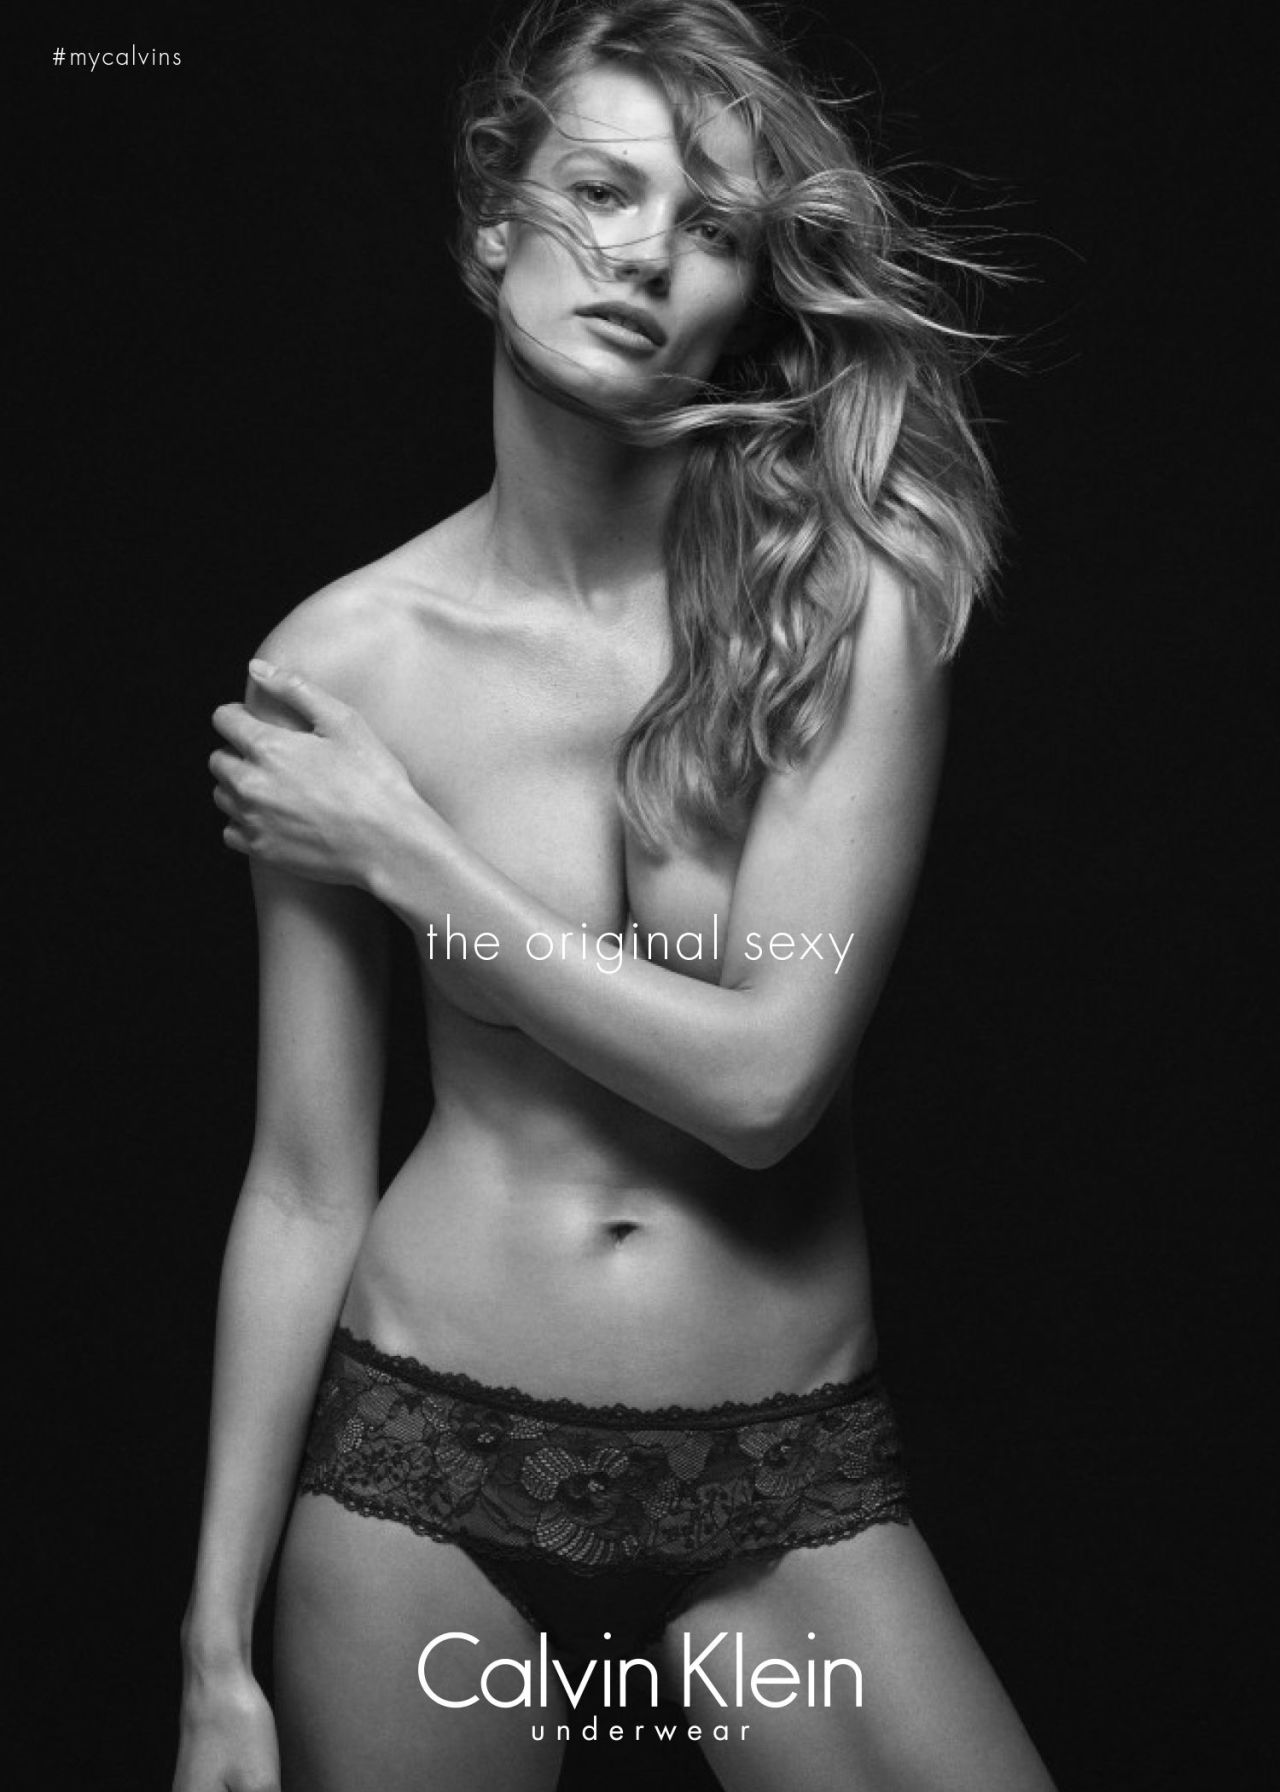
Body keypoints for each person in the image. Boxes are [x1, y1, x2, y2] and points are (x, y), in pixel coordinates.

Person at [176, 1, 1057, 1787]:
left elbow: (764, 1082)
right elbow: (302, 1178)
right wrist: (213, 1653)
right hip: (423, 1467)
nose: (646, 254)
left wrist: (405, 851)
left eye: (712, 226)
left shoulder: (842, 608)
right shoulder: (345, 664)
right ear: (493, 221)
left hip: (781, 1474)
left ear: (753, 292)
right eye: (600, 190)